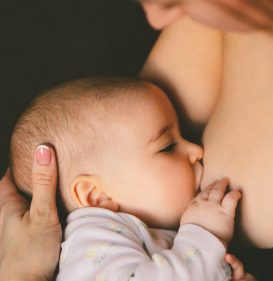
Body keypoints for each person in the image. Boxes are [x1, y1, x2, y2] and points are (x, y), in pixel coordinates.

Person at [1, 1, 273, 280]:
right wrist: (204, 239)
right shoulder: (97, 242)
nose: (157, 15)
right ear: (96, 196)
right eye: (168, 146)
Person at [9, 77, 254, 281]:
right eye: (168, 147)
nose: (196, 150)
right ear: (97, 196)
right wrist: (204, 234)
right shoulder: (92, 240)